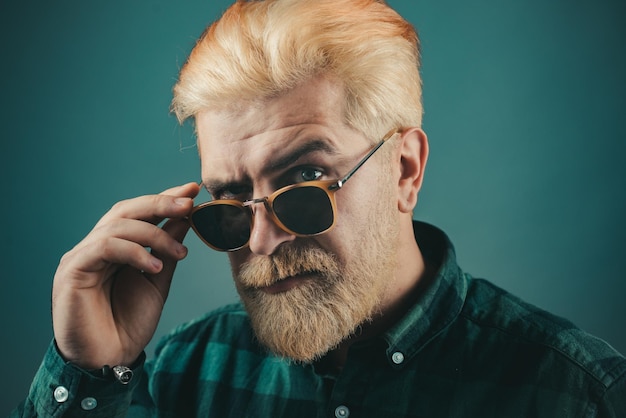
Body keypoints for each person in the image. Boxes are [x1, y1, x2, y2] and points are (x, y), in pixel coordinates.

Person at [12, 0, 626, 416]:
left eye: (307, 177)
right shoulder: (173, 377)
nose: (260, 242)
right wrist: (98, 371)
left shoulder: (581, 395)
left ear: (405, 170)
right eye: (227, 200)